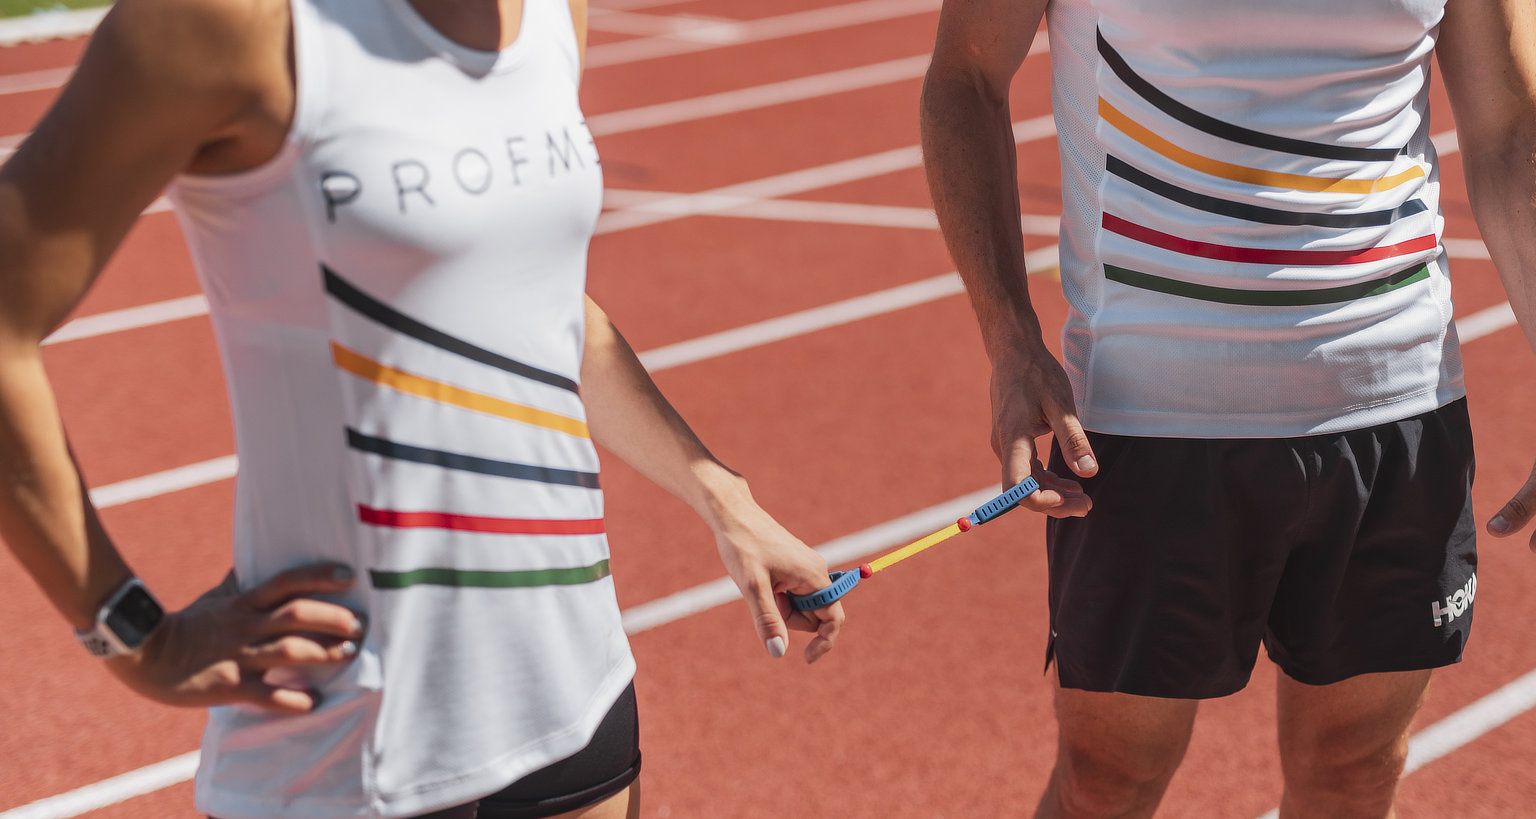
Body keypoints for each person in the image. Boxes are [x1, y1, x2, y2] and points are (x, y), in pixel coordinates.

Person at [0, 0, 845, 817]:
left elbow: (539, 302)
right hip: (353, 727)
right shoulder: (227, 23)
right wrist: (138, 638)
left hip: (572, 686)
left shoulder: (550, 9)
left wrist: (722, 497)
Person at [920, 0, 1536, 816]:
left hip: (1398, 398)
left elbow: (1509, 133)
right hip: (1149, 413)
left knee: (1355, 766)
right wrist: (1007, 333)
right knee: (1106, 781)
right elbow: (964, 77)